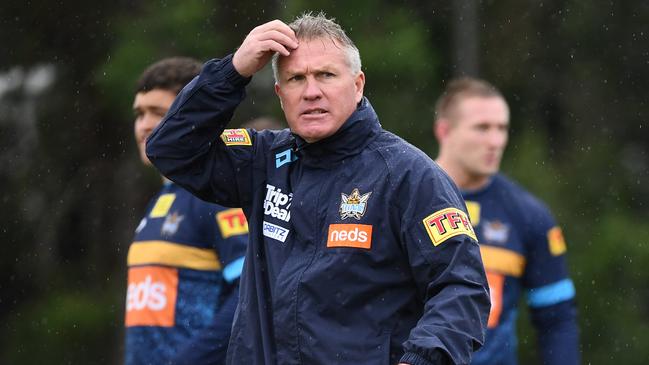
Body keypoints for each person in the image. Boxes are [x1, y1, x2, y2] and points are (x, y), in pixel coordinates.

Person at [146, 13, 490, 365]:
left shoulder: (409, 175)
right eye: (296, 78)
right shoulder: (264, 160)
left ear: (357, 85)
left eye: (326, 75)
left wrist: (421, 360)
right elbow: (170, 149)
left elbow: (462, 287)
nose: (311, 92)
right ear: (280, 95)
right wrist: (233, 71)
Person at [433, 77, 579, 365]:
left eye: (501, 128)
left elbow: (557, 319)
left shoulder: (529, 215)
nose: (496, 141)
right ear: (444, 130)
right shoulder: (402, 197)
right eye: (482, 128)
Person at [125, 57, 249, 365]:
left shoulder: (213, 196)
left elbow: (249, 292)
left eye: (157, 112)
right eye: (139, 114)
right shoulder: (162, 200)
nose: (144, 125)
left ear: (187, 117)